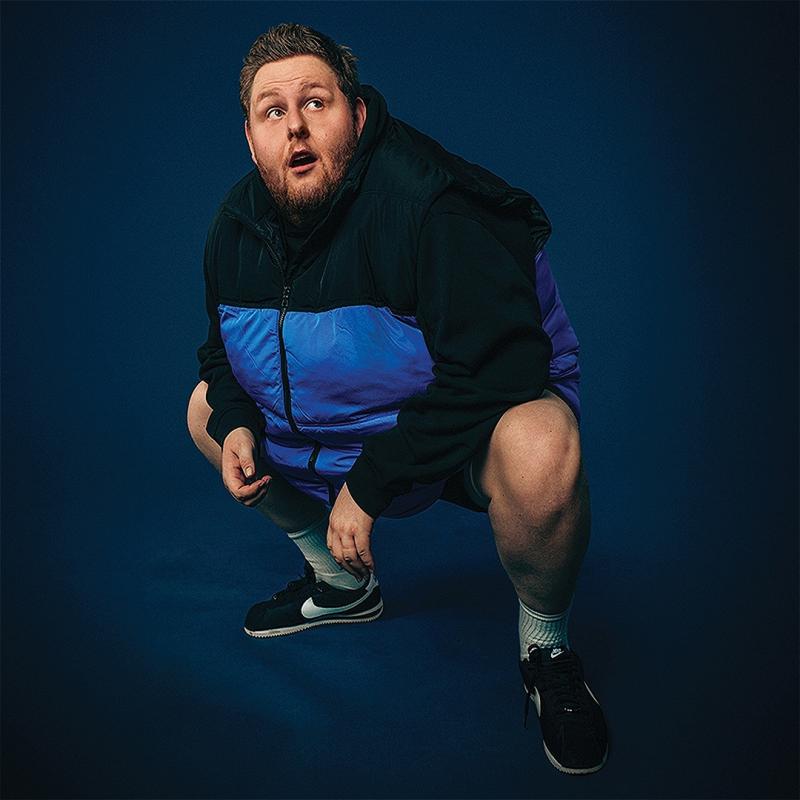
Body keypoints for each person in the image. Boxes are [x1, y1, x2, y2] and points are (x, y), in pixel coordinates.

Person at [187, 22, 608, 775]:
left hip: (453, 432)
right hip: (340, 433)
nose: (296, 124)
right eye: (272, 111)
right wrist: (241, 420)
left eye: (315, 101)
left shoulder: (428, 204)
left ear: (353, 112)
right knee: (205, 411)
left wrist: (372, 482)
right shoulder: (235, 225)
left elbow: (504, 368)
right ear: (250, 138)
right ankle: (342, 585)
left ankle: (547, 649)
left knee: (543, 442)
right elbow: (221, 354)